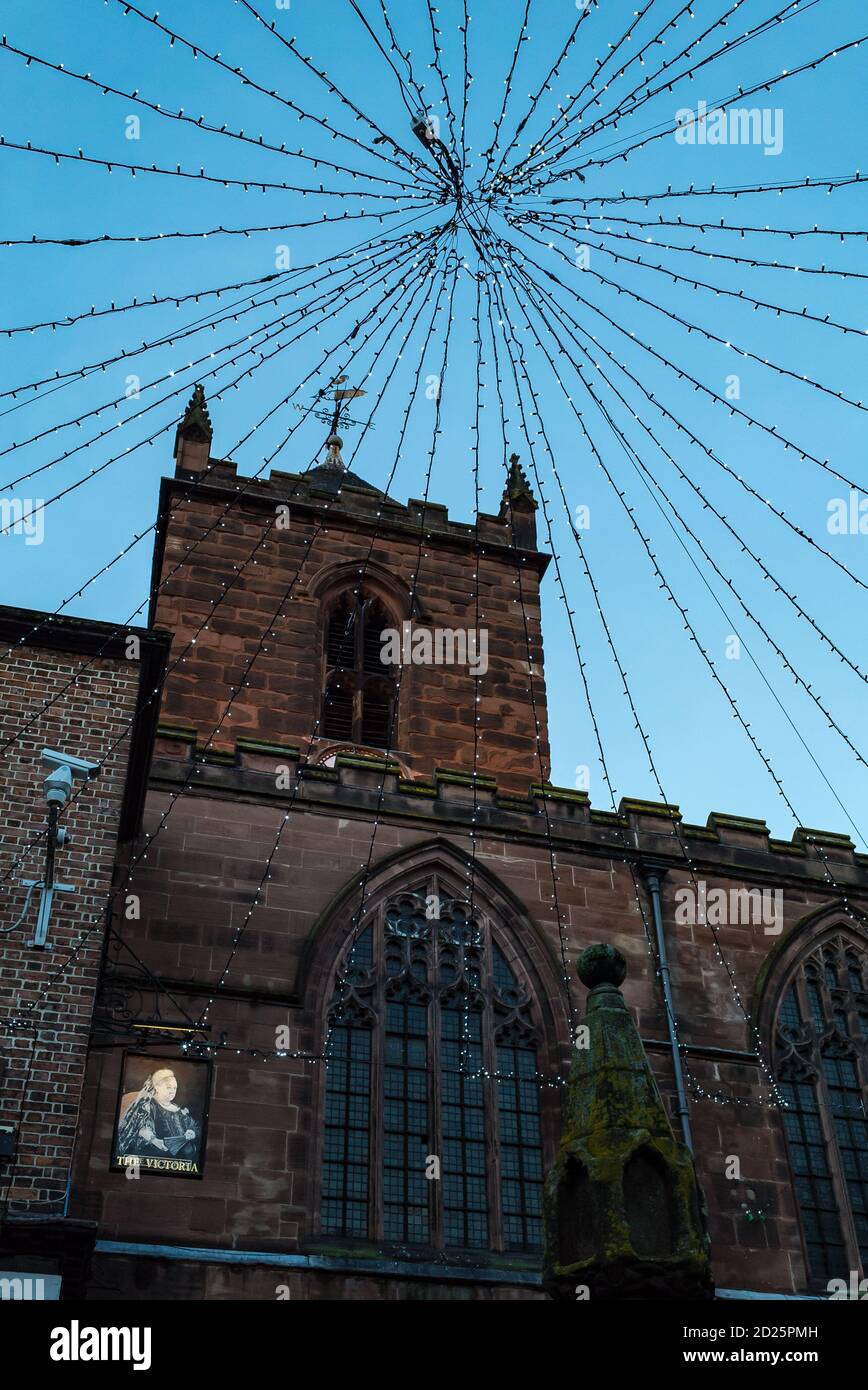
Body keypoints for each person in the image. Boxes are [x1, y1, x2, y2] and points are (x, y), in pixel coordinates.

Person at [116, 1067, 198, 1159]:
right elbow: (142, 1126)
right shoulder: (147, 1105)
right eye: (169, 1087)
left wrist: (191, 1131)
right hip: (151, 1155)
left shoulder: (177, 1108)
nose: (173, 1091)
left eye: (175, 1088)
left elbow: (191, 1123)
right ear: (157, 1087)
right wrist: (154, 1140)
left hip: (178, 1158)